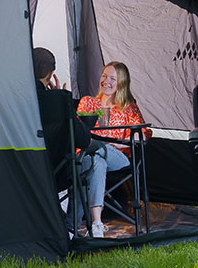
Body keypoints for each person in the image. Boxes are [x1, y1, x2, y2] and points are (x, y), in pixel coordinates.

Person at [76, 61, 151, 238]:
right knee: (96, 162)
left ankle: (74, 222)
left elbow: (144, 133)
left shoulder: (127, 107)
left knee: (99, 149)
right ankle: (96, 224)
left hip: (118, 156)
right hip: (90, 156)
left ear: (121, 83)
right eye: (104, 76)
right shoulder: (88, 103)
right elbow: (78, 130)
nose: (106, 81)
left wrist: (120, 142)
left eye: (112, 78)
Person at [31, 48, 95, 238]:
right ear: (51, 74)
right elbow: (83, 140)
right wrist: (60, 98)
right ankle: (70, 227)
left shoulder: (17, 97)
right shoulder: (59, 100)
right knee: (88, 163)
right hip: (57, 171)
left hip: (24, 167)